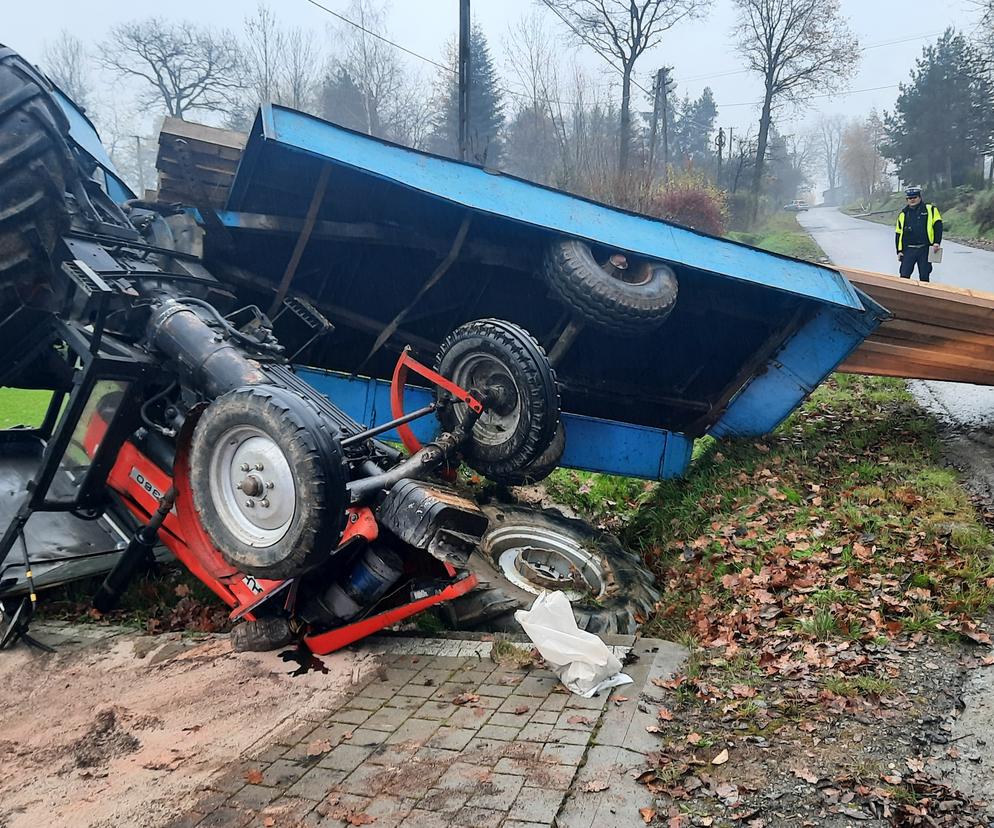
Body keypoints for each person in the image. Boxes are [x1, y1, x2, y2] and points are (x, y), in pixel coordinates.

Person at [895, 186, 942, 283]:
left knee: (924, 276)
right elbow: (899, 234)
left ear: (920, 198)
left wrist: (937, 242)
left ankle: (925, 297)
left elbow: (938, 226)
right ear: (907, 200)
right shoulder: (903, 214)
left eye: (914, 197)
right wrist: (899, 251)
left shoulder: (931, 210)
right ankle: (904, 296)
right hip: (909, 250)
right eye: (909, 198)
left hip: (925, 249)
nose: (912, 200)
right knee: (904, 275)